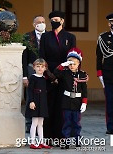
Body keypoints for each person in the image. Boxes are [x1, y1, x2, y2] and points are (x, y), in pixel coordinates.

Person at [39, 11, 76, 139]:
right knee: (49, 106)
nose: (54, 21)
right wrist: (50, 75)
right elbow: (42, 57)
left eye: (56, 19)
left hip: (64, 76)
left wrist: (62, 74)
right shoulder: (45, 37)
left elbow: (73, 58)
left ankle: (62, 136)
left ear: (62, 21)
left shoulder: (70, 37)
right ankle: (48, 136)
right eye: (52, 20)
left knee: (62, 106)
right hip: (49, 76)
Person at [54, 48, 88, 149]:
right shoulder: (65, 73)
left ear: (79, 64)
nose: (72, 66)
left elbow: (84, 90)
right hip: (66, 101)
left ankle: (77, 140)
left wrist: (84, 102)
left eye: (74, 63)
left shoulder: (82, 75)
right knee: (67, 122)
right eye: (70, 63)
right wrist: (62, 65)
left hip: (77, 102)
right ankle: (66, 140)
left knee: (76, 122)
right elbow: (56, 73)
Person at [22, 15, 46, 133]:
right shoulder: (27, 37)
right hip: (32, 69)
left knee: (43, 97)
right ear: (33, 24)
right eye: (38, 22)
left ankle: (43, 124)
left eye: (43, 21)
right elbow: (24, 58)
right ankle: (29, 123)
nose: (41, 23)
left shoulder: (49, 36)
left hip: (45, 70)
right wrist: (25, 76)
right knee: (30, 96)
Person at [25, 58, 52, 149]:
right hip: (35, 101)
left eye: (42, 66)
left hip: (42, 102)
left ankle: (41, 141)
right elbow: (30, 90)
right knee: (34, 122)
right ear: (34, 67)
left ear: (45, 68)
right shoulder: (33, 77)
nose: (40, 68)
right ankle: (32, 141)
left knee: (41, 123)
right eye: (38, 66)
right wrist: (31, 101)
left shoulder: (44, 79)